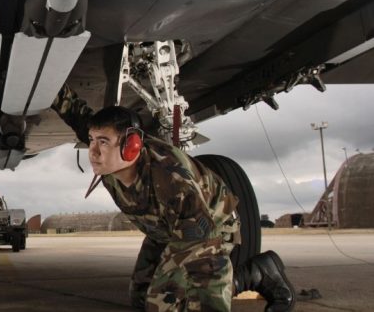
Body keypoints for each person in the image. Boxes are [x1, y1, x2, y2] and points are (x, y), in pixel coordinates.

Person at [52, 83, 295, 312]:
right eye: (92, 140)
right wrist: (49, 84)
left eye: (103, 142)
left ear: (131, 146)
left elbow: (202, 247)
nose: (93, 152)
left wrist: (198, 299)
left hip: (208, 227)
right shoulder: (111, 155)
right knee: (141, 296)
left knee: (166, 302)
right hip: (166, 227)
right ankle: (254, 273)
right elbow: (75, 112)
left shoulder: (171, 180)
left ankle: (257, 273)